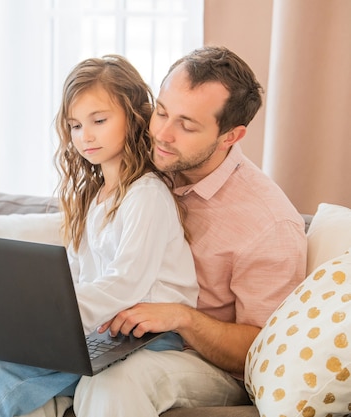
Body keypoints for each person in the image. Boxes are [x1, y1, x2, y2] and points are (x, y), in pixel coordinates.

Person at [0, 55, 199, 417]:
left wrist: (50, 313)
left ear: (135, 116)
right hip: (96, 330)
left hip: (145, 338)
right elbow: (76, 277)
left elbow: (125, 285)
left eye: (99, 121)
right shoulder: (94, 197)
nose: (84, 136)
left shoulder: (147, 194)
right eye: (75, 125)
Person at [71, 46, 308, 416]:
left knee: (114, 381)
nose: (162, 134)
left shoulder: (269, 223)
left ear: (231, 135)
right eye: (162, 112)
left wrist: (182, 317)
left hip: (206, 365)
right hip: (122, 338)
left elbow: (263, 349)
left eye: (187, 124)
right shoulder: (144, 163)